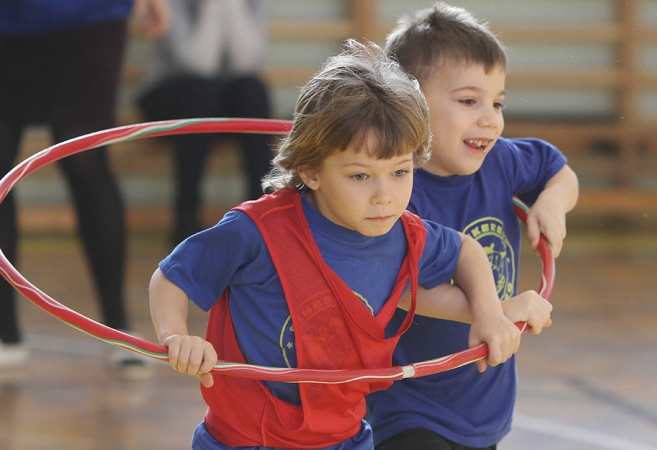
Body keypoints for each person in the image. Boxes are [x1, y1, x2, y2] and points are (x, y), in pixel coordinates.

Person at [148, 39, 535, 450]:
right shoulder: (256, 232)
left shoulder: (404, 234)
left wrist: (490, 313)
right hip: (244, 441)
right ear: (311, 171)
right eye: (360, 177)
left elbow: (465, 251)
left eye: (401, 172)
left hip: (344, 439)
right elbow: (172, 278)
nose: (384, 196)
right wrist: (176, 336)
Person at [366, 4, 579, 450]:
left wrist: (552, 205)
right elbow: (389, 286)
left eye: (497, 102)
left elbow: (558, 169)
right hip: (406, 402)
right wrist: (492, 310)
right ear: (409, 104)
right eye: (468, 101)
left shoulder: (500, 160)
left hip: (484, 401)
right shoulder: (390, 188)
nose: (490, 119)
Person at [0, 0, 169, 377]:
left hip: (89, 18)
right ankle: (4, 332)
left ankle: (118, 325)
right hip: (6, 23)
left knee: (86, 164)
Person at [138, 0, 275, 246]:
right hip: (171, 94)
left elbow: (247, 63)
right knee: (200, 91)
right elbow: (197, 64)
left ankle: (261, 213)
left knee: (252, 89)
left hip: (223, 97)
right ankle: (187, 217)